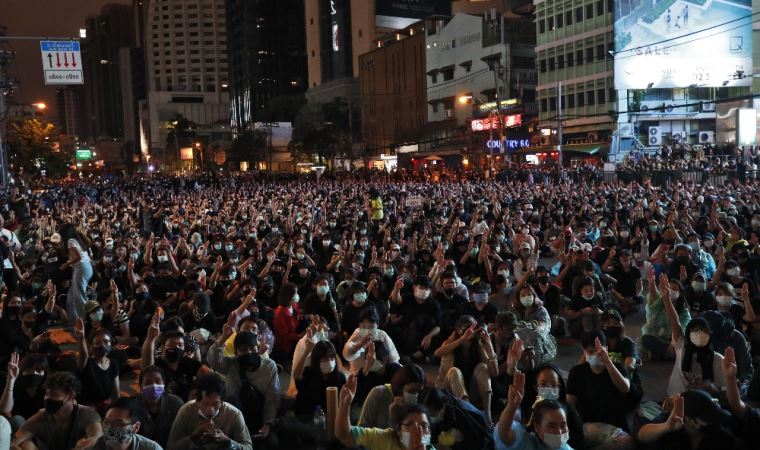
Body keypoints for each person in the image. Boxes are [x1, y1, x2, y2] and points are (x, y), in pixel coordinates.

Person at [566, 331, 640, 449]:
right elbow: (570, 406)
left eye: (599, 351)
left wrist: (607, 362)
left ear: (606, 349)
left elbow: (625, 388)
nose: (595, 355)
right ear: (583, 351)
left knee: (626, 443)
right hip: (587, 427)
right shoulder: (577, 372)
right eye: (590, 352)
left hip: (614, 429)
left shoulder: (618, 368)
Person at [206, 328, 279, 441]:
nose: (249, 352)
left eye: (252, 347)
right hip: (235, 416)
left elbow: (272, 397)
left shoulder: (269, 367)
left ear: (258, 348)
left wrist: (268, 424)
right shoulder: (232, 365)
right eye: (244, 349)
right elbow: (213, 360)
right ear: (236, 353)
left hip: (260, 414)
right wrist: (223, 337)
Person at [661, 274, 727, 395]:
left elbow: (725, 392)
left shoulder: (718, 360)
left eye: (704, 331)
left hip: (703, 406)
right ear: (689, 334)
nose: (700, 334)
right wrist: (666, 299)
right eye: (696, 330)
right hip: (676, 400)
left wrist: (711, 388)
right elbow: (675, 322)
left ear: (710, 335)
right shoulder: (682, 347)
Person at [336, 373, 435, 450]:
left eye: (424, 426)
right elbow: (345, 435)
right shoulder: (384, 439)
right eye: (410, 425)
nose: (418, 433)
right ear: (398, 430)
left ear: (430, 433)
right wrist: (345, 404)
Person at [12, 371, 103, 450]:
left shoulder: (87, 414)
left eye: (54, 394)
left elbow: (95, 440)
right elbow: (15, 440)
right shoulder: (43, 415)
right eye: (47, 394)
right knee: (26, 445)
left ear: (71, 396)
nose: (48, 398)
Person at [434, 315, 499, 423]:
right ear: (458, 330)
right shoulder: (450, 344)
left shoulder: (478, 346)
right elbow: (437, 353)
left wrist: (490, 347)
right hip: (449, 392)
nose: (470, 331)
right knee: (454, 371)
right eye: (466, 328)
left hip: (470, 393)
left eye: (473, 328)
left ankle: (488, 416)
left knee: (482, 367)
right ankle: (468, 414)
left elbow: (494, 373)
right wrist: (462, 339)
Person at [166, 372, 252, 450]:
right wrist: (193, 437)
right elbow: (171, 447)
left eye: (215, 404)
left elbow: (248, 447)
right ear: (197, 400)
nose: (211, 410)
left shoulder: (234, 414)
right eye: (205, 403)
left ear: (222, 401)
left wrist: (228, 442)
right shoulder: (186, 411)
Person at [494, 370, 573, 450]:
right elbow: (504, 434)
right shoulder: (526, 443)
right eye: (552, 426)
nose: (559, 432)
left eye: (563, 425)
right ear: (537, 427)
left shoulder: (566, 448)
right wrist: (511, 405)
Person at [133, 365, 184, 449]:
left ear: (163, 384)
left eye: (157, 381)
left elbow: (181, 434)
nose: (154, 385)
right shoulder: (133, 405)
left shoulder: (176, 404)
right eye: (148, 382)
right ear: (141, 387)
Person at [91, 398, 162, 450]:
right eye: (106, 422)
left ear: (135, 427)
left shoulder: (152, 448)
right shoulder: (93, 445)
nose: (110, 427)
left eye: (119, 423)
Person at [58, 223, 93, 323]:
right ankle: (73, 321)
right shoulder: (77, 239)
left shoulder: (70, 241)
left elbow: (78, 257)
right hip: (85, 268)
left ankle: (86, 322)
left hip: (81, 268)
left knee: (79, 298)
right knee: (71, 298)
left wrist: (66, 264)